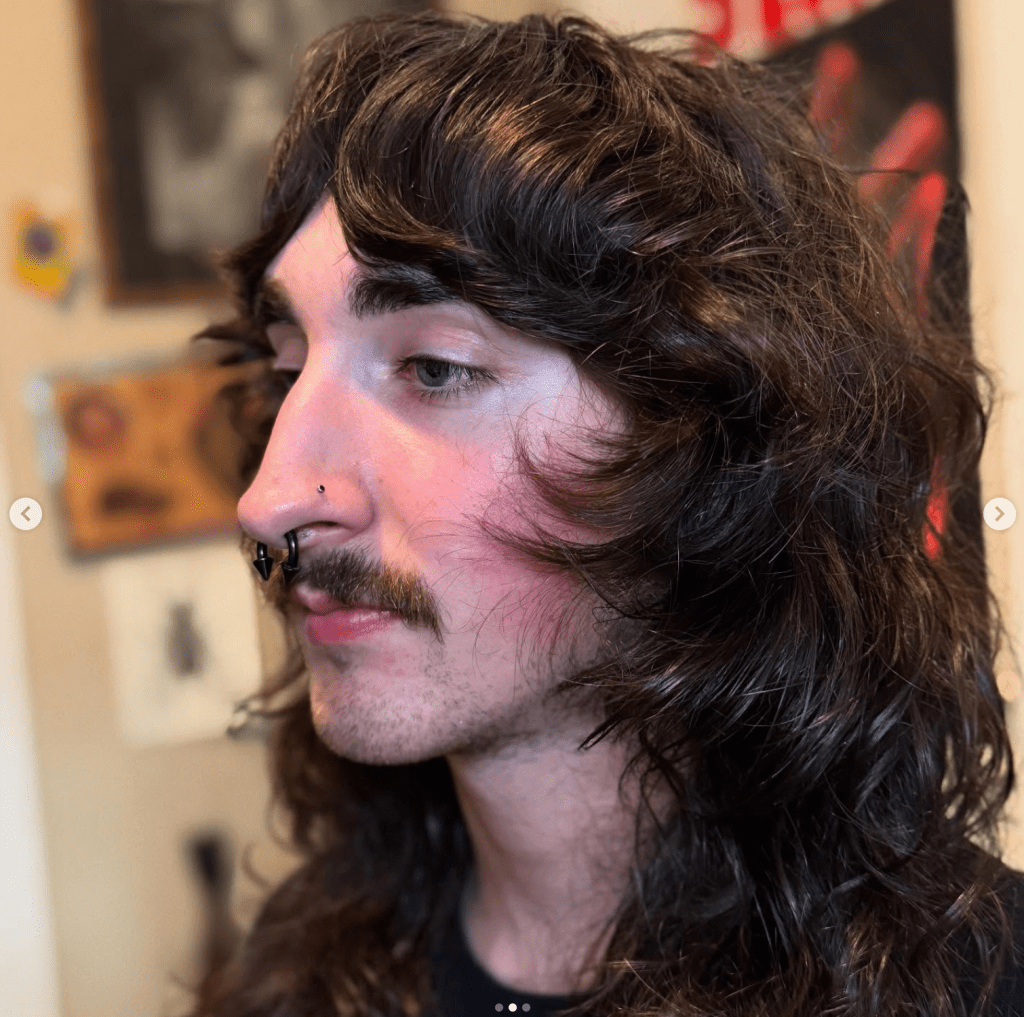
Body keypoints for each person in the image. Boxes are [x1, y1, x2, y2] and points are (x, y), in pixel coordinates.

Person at [192, 11, 1023, 1017]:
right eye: (287, 372)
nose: (270, 500)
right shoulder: (291, 980)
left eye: (434, 368)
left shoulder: (984, 984)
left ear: (708, 449)